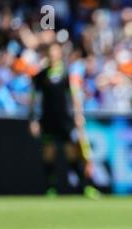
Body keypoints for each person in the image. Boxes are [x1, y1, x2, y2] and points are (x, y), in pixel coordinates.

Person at [29, 42, 100, 199]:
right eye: (50, 52)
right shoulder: (40, 75)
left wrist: (78, 115)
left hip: (65, 120)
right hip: (47, 120)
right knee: (48, 153)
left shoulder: (67, 74)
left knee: (72, 153)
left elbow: (74, 96)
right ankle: (51, 188)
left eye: (55, 52)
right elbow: (34, 99)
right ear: (47, 54)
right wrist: (33, 119)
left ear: (60, 54)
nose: (53, 55)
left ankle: (85, 187)